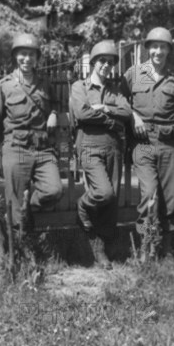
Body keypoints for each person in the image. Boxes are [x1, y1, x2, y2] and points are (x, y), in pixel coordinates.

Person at [0, 33, 63, 246]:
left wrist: (54, 113)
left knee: (54, 190)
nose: (26, 59)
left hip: (43, 149)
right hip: (16, 147)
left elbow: (54, 104)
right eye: (22, 54)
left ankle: (27, 205)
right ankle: (20, 249)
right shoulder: (4, 86)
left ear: (37, 58)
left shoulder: (45, 83)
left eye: (31, 55)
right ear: (15, 56)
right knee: (15, 206)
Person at [121, 27, 174, 262]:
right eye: (154, 46)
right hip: (144, 143)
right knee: (149, 195)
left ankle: (166, 247)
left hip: (169, 144)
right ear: (148, 48)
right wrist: (133, 116)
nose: (158, 51)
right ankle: (146, 247)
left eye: (163, 47)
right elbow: (119, 101)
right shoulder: (133, 74)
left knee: (170, 200)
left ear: (170, 50)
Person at [69, 40, 132, 269]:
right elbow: (83, 113)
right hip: (89, 147)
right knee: (103, 193)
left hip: (113, 148)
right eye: (102, 61)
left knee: (111, 200)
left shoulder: (115, 89)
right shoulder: (80, 87)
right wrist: (111, 122)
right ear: (94, 62)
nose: (106, 65)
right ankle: (83, 206)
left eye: (110, 61)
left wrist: (106, 109)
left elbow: (126, 111)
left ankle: (100, 247)